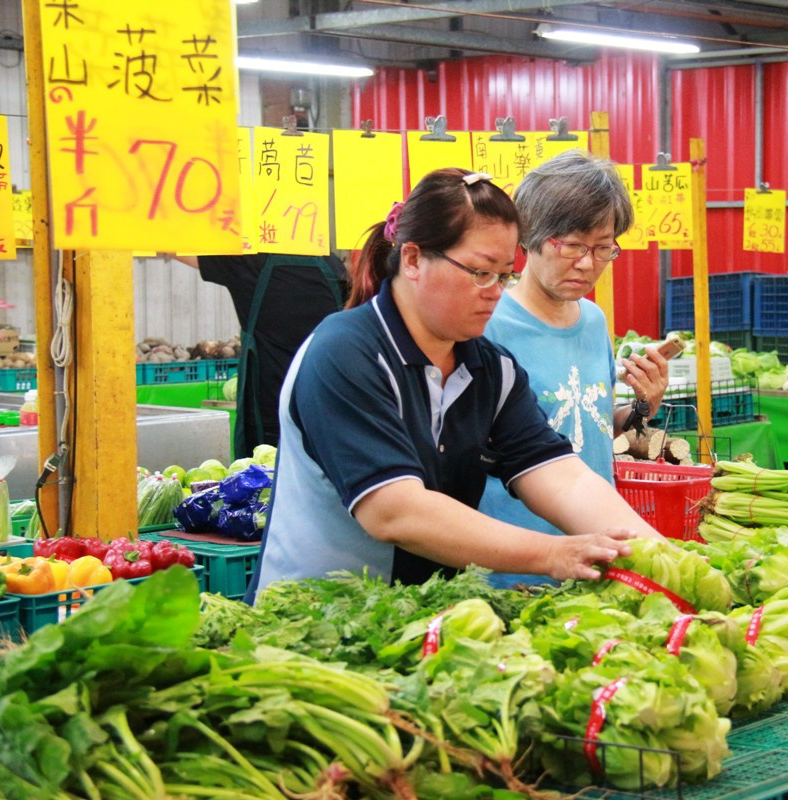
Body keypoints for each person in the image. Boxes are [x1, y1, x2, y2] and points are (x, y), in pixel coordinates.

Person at [250, 167, 662, 595]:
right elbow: (394, 511)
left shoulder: (491, 370)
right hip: (312, 625)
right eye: (480, 273)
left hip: (423, 621)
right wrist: (553, 554)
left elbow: (562, 477)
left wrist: (661, 557)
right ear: (413, 260)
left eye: (503, 275)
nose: (496, 292)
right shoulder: (344, 353)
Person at [477, 150, 670, 588]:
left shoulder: (594, 320)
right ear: (528, 238)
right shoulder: (487, 325)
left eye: (603, 248)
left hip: (596, 554)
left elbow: (594, 431)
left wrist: (643, 406)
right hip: (515, 565)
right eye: (572, 245)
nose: (588, 263)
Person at [173, 251, 348, 459]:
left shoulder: (249, 263)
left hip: (266, 416)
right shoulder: (335, 266)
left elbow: (176, 247)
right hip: (323, 411)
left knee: (264, 484)